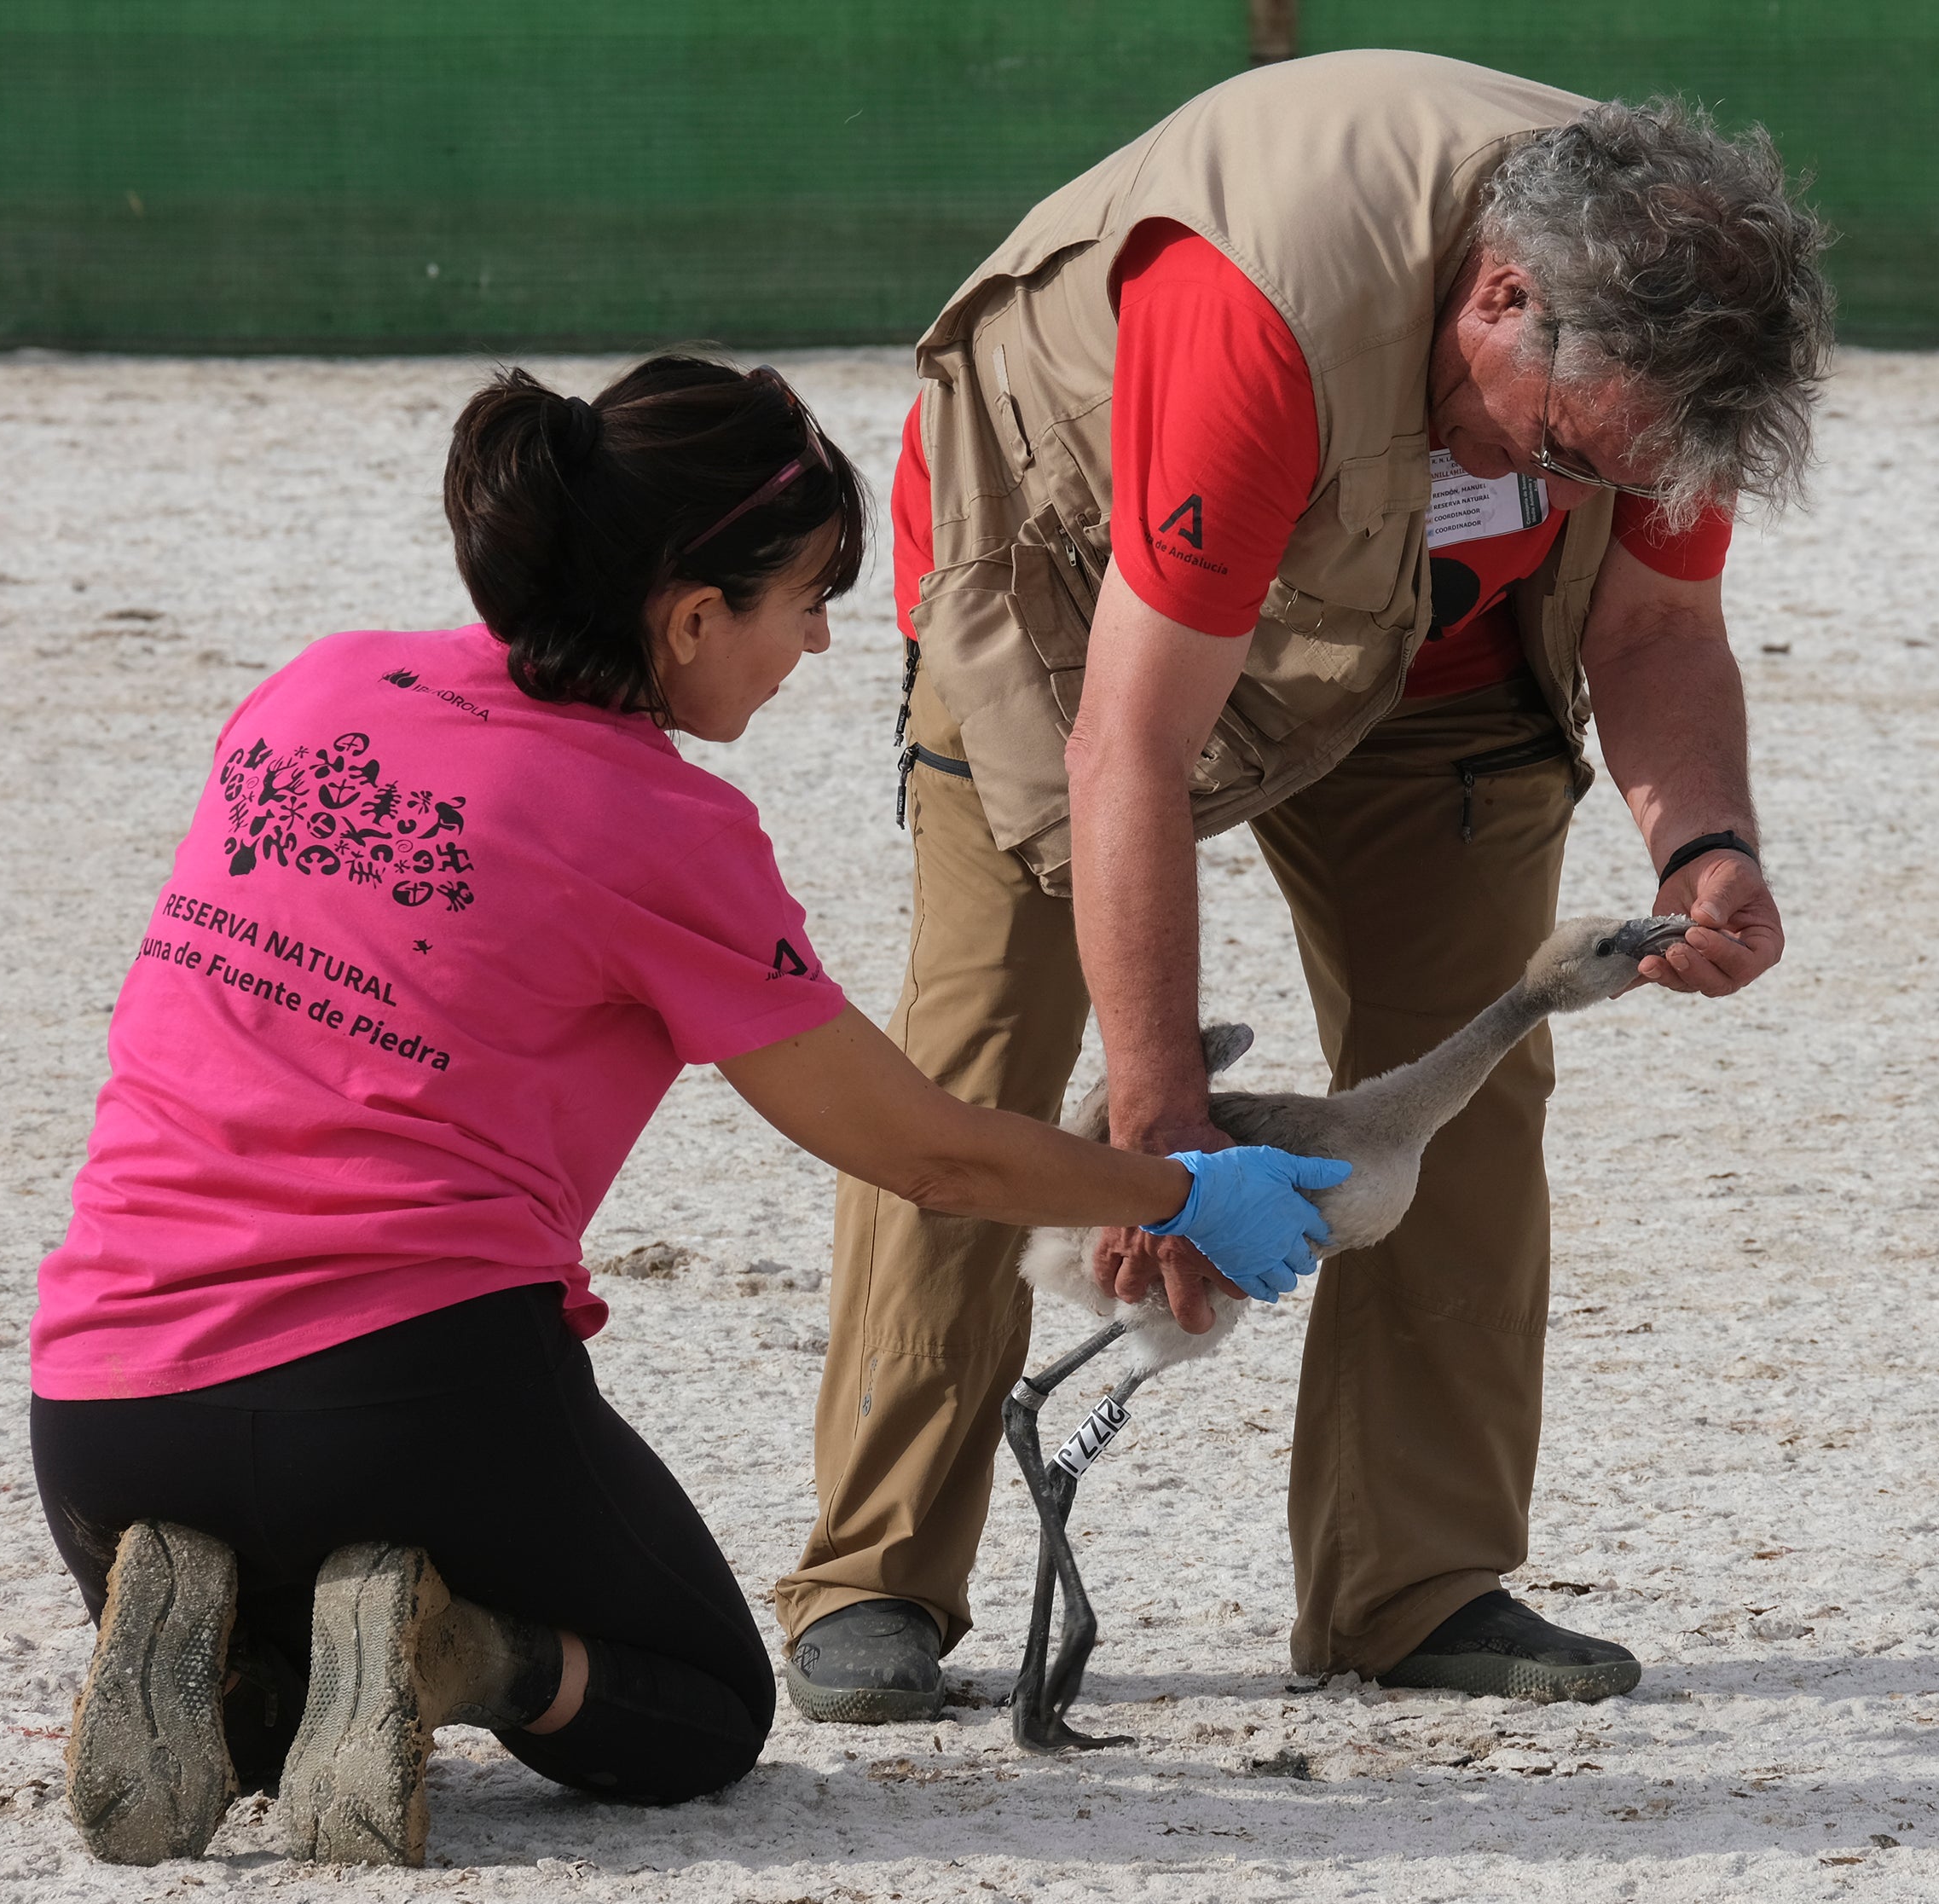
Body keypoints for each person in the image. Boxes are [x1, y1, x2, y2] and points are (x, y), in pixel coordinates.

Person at [26, 355, 1345, 1868]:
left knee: (287, 1669)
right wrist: (1177, 1190)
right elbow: (918, 1145)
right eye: (803, 601)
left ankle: (221, 1659)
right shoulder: (659, 824)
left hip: (102, 1410)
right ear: (691, 613)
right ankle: (454, 1656)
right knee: (705, 1704)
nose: (818, 641)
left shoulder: (310, 688)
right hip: (399, 1387)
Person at [776, 50, 1833, 1722]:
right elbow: (1129, 741)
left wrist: (1704, 841)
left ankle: (1406, 1586)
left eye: (1612, 475)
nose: (1583, 489)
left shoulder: (1656, 339)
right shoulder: (1256, 308)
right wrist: (1164, 1141)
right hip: (1066, 597)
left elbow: (1652, 625)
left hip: (1434, 638)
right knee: (977, 1068)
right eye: (1559, 446)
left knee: (1463, 1081)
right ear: (1497, 299)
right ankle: (877, 1573)